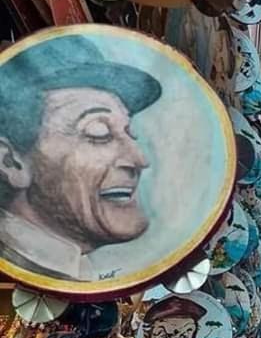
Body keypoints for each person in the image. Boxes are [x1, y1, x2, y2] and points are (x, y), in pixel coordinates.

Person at [0, 34, 160, 281]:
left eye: (130, 134)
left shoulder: (74, 272)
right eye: (99, 132)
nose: (139, 159)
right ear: (11, 162)